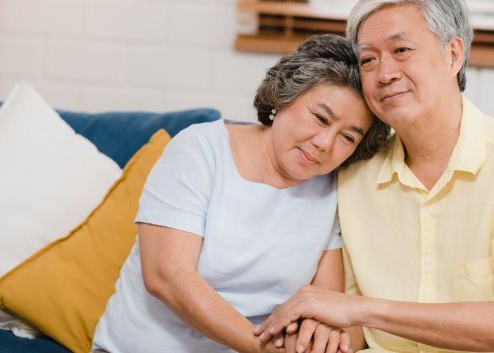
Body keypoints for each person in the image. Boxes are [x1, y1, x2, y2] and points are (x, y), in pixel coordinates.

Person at [256, 0, 494, 353]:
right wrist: (318, 336)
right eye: (368, 60)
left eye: (402, 50)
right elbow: (355, 327)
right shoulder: (353, 174)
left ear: (453, 55)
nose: (384, 73)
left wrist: (360, 309)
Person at [91, 34, 390, 353]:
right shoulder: (200, 149)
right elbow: (166, 276)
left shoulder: (329, 186)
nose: (324, 143)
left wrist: (316, 336)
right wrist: (263, 350)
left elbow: (324, 302)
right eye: (320, 118)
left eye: (347, 137)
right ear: (284, 97)